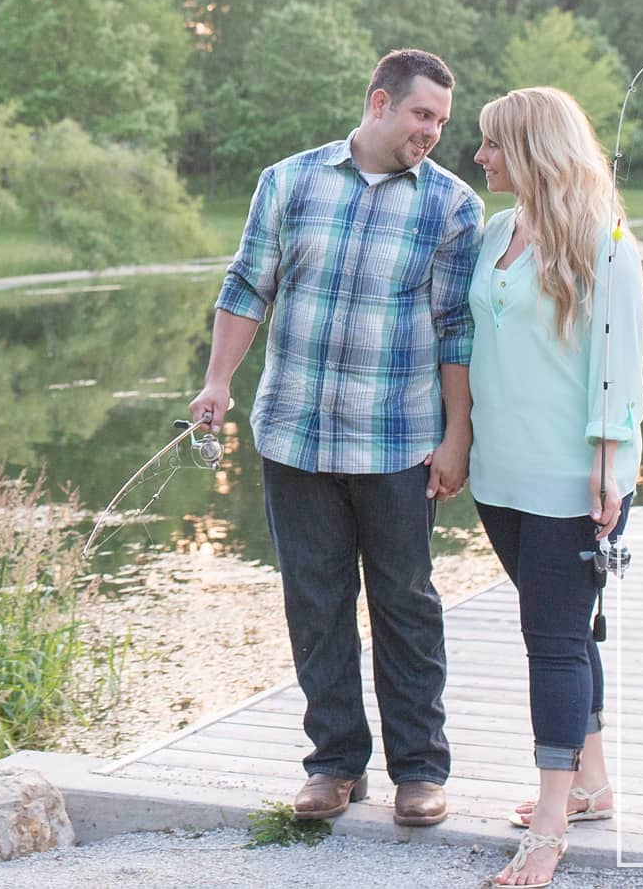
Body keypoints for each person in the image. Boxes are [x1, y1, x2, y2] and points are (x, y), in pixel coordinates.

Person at [189, 49, 482, 827]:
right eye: (423, 114)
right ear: (379, 101)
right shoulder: (289, 181)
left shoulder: (452, 207)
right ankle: (334, 765)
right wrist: (219, 380)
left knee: (406, 603)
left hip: (396, 443)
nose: (433, 132)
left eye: (443, 122)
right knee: (315, 602)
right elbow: (249, 284)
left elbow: (458, 329)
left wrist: (458, 436)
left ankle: (419, 770)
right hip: (294, 434)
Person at [467, 86, 643, 888]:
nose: (480, 157)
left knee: (550, 640)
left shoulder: (603, 243)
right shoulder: (496, 232)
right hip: (498, 474)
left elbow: (618, 376)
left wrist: (607, 470)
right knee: (566, 630)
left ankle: (548, 825)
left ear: (534, 149)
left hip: (575, 482)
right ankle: (592, 783)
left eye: (493, 144)